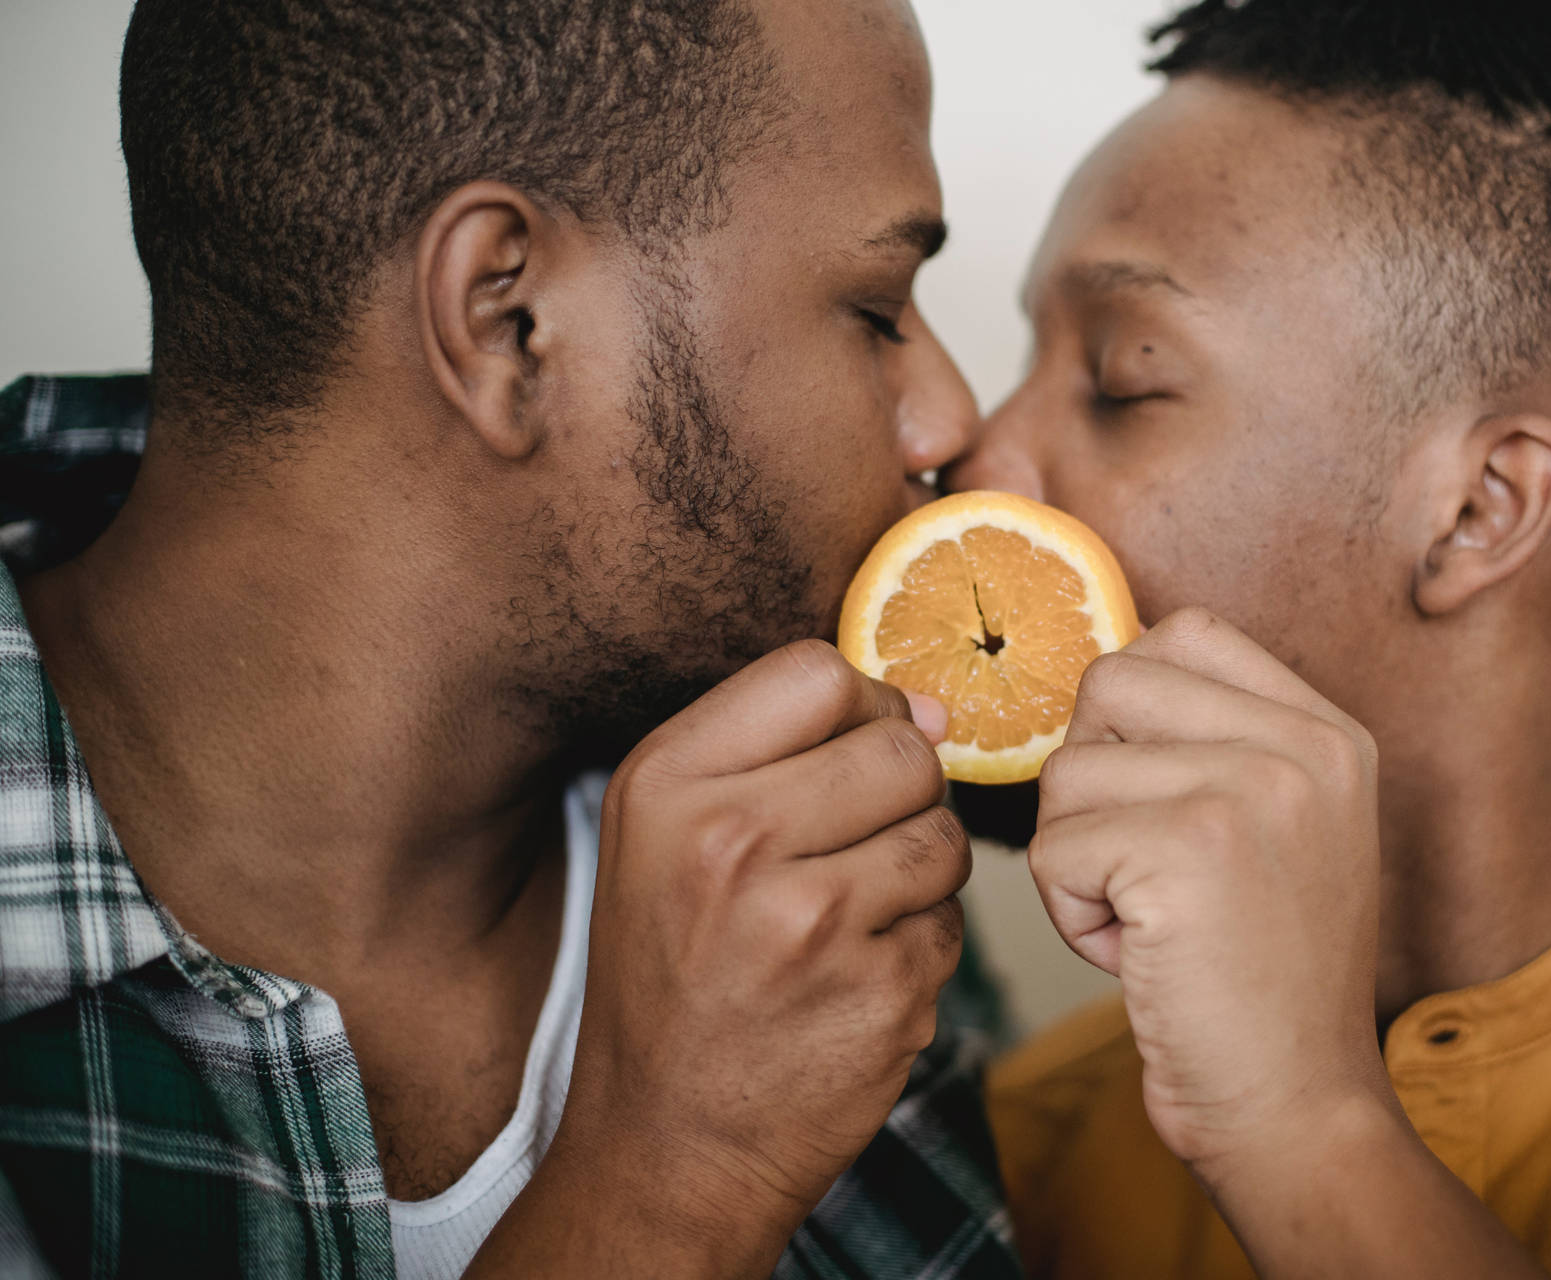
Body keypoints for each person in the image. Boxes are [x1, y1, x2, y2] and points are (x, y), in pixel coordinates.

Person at [0, 1, 1024, 1276]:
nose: (947, 420)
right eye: (877, 308)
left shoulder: (816, 848)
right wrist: (670, 1192)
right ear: (505, 320)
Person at [953, 1, 1551, 1277]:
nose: (976, 467)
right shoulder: (1032, 1148)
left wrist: (1303, 1128)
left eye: (1125, 377)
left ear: (1478, 510)